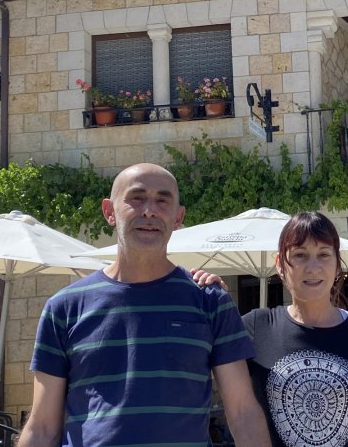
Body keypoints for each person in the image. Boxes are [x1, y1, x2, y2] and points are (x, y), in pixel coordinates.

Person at [19, 163, 272, 447]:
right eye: (136, 198)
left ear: (178, 217)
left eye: (162, 200)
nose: (149, 210)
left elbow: (243, 414)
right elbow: (41, 427)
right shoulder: (64, 308)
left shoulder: (210, 301)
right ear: (109, 212)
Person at [193, 211, 348, 447]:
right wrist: (211, 299)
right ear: (280, 264)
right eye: (300, 255)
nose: (313, 267)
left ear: (337, 264)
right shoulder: (254, 327)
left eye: (324, 255)